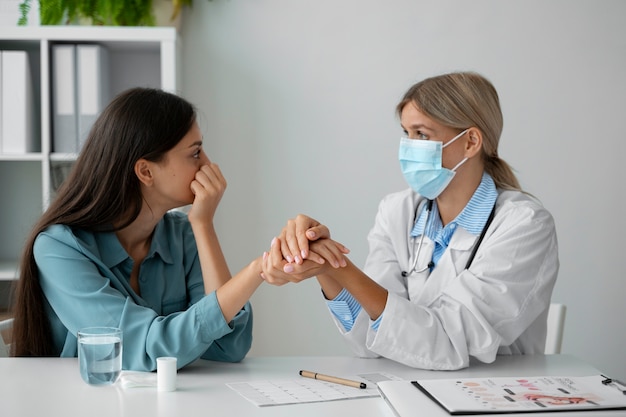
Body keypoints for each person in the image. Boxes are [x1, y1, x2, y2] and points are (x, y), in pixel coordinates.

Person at [261, 71, 559, 370]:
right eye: (407, 133)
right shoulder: (398, 211)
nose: (410, 146)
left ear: (470, 141)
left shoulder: (524, 225)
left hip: (493, 397)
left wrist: (340, 267)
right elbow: (371, 338)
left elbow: (448, 343)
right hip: (410, 390)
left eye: (422, 135)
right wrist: (323, 260)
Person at [11, 87, 268, 371]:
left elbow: (228, 347)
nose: (208, 164)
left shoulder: (184, 235)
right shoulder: (59, 248)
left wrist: (204, 226)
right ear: (146, 172)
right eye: (195, 153)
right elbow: (141, 348)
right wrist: (257, 271)